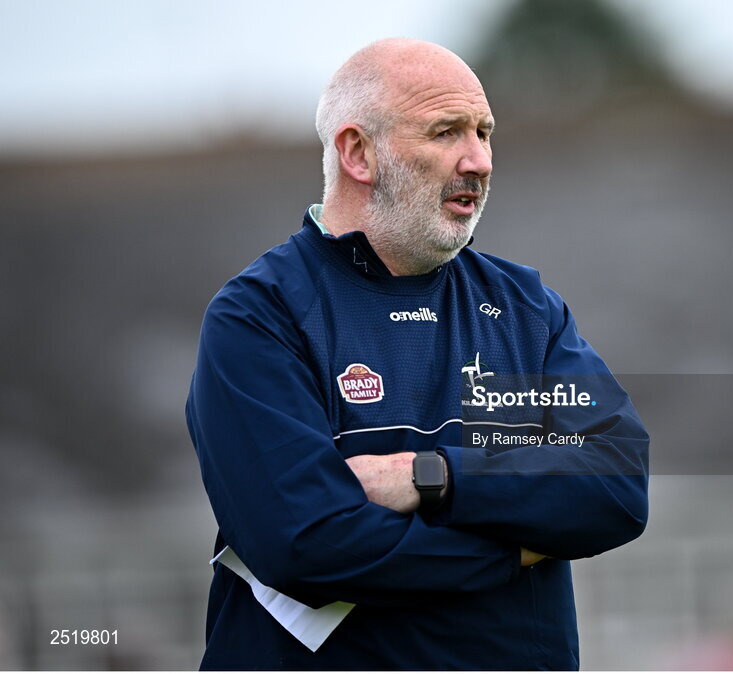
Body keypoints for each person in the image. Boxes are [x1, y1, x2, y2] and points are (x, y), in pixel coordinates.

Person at [186, 38, 649, 670]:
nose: (479, 160)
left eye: (484, 133)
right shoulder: (259, 316)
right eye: (446, 132)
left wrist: (430, 477)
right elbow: (307, 544)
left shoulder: (526, 308)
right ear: (358, 153)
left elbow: (615, 487)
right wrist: (515, 549)